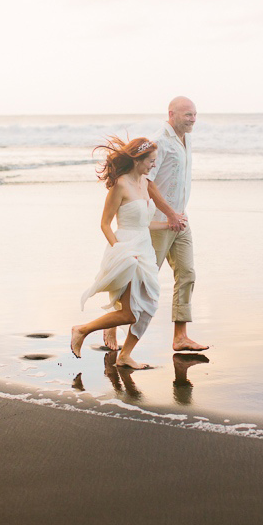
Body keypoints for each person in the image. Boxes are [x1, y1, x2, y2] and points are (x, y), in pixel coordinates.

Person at [103, 97, 208, 353]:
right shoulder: (160, 141)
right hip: (159, 221)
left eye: (195, 114)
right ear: (172, 114)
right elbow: (147, 181)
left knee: (187, 274)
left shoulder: (187, 139)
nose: (193, 119)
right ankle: (113, 322)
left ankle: (180, 336)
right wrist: (169, 214)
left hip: (180, 219)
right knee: (141, 279)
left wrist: (178, 215)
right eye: (187, 115)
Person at [70, 137, 170, 368]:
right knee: (128, 313)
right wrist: (121, 252)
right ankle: (81, 330)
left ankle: (125, 355)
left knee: (148, 307)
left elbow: (144, 224)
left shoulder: (144, 183)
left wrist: (168, 225)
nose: (153, 165)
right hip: (126, 249)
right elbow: (105, 224)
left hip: (145, 250)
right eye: (151, 161)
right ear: (138, 160)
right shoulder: (120, 185)